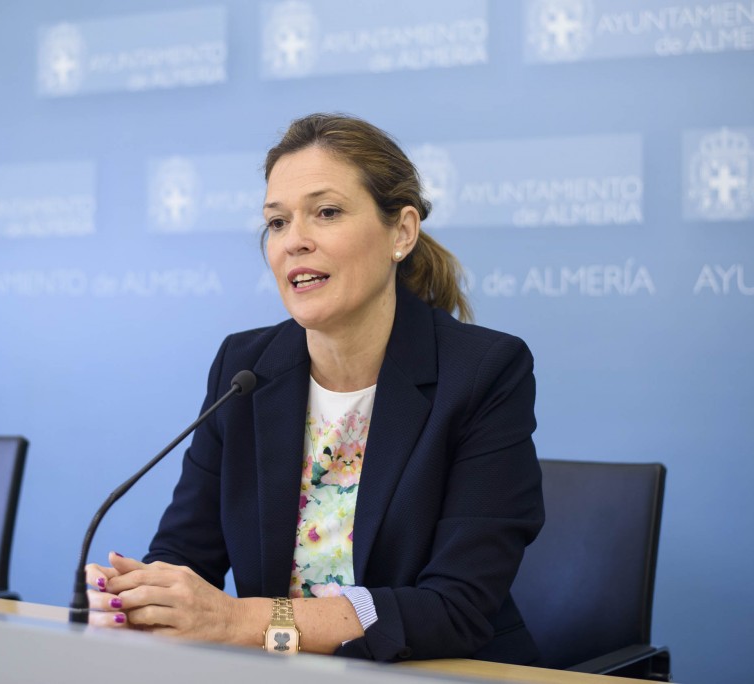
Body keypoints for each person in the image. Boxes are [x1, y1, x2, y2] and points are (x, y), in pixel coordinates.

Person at [86, 113, 544, 663]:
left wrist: (240, 621)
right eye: (277, 222)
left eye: (326, 212)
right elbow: (186, 555)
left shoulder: (483, 372)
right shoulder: (245, 368)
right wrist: (141, 599)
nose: (294, 242)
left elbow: (453, 607)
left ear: (401, 232)